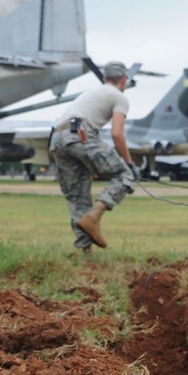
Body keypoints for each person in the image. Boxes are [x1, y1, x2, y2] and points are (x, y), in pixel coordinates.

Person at [49, 61, 140, 253]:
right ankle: (95, 215)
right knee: (124, 176)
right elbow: (117, 134)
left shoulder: (90, 93)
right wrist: (130, 164)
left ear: (105, 78)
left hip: (56, 138)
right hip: (80, 133)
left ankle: (86, 256)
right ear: (124, 80)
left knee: (77, 197)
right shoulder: (119, 97)